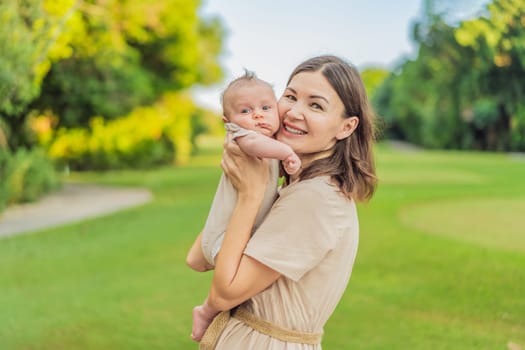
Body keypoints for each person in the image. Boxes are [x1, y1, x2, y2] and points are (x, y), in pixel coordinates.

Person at [191, 55, 377, 349]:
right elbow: (199, 257)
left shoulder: (314, 198)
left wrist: (250, 195)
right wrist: (248, 187)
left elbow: (224, 293)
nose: (293, 112)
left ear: (346, 127)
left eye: (315, 105)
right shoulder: (293, 186)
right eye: (290, 97)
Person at [186, 70, 301, 273]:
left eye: (266, 107)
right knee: (233, 275)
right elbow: (255, 144)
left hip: (243, 228)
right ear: (228, 122)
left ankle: (211, 305)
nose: (258, 114)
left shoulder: (270, 143)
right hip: (223, 234)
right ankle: (211, 305)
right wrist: (287, 153)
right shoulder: (243, 136)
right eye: (245, 111)